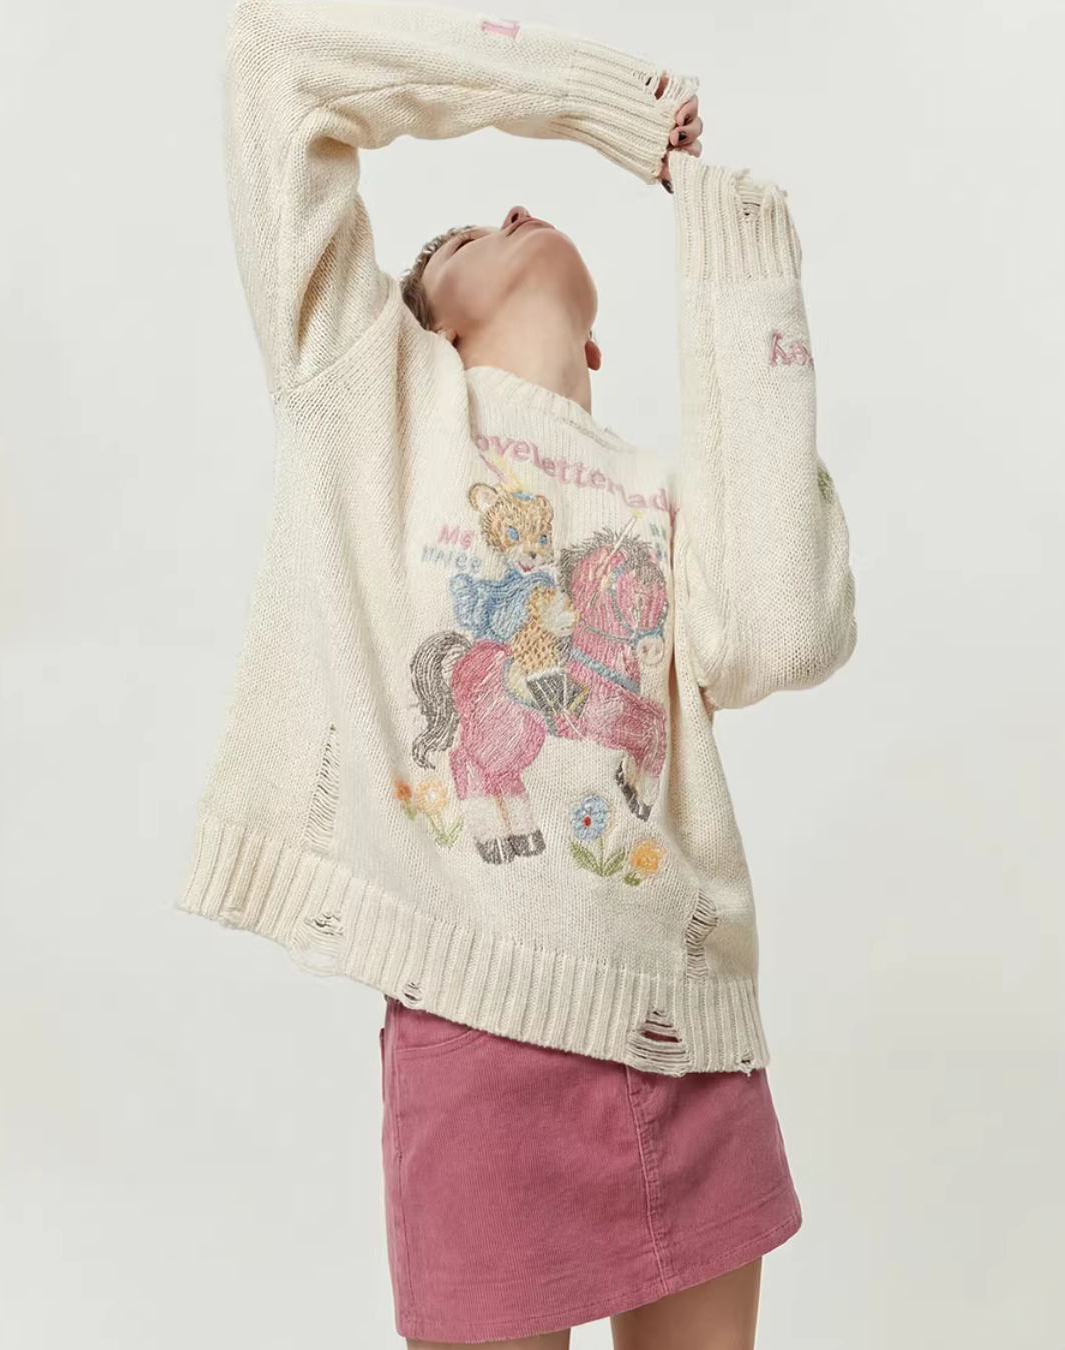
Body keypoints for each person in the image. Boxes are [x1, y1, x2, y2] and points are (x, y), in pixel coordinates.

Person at [176, 2, 858, 1346]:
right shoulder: (374, 407)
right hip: (481, 1031)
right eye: (463, 240)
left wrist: (736, 260)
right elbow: (279, 62)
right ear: (425, 324)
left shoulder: (664, 507)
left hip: (689, 1034)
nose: (516, 209)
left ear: (600, 346)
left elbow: (781, 630)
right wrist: (580, 102)